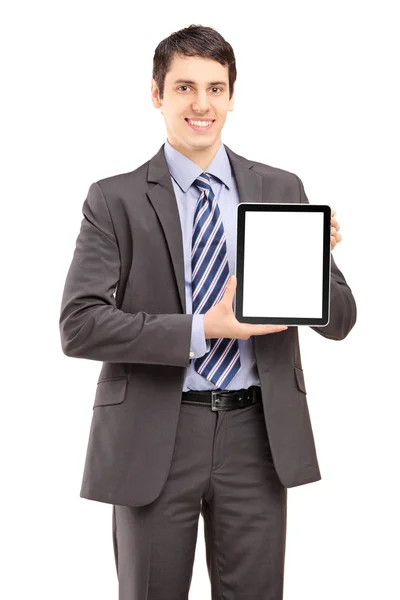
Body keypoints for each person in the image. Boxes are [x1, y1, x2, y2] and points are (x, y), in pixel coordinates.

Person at [59, 23, 356, 600]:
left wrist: (311, 267)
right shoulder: (113, 198)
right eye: (185, 87)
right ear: (157, 94)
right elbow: (80, 324)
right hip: (156, 432)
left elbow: (341, 319)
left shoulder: (281, 187)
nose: (202, 104)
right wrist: (202, 329)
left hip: (258, 434)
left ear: (231, 96)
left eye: (216, 89)